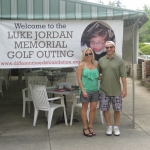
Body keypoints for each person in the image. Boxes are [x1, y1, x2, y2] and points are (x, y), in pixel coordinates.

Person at [98, 41, 127, 136]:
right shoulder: (101, 60)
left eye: (111, 47)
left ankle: (116, 127)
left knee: (117, 110)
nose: (109, 49)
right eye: (107, 47)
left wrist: (124, 89)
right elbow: (99, 74)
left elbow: (123, 76)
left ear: (114, 48)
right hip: (104, 90)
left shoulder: (120, 60)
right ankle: (109, 127)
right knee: (105, 109)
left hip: (116, 90)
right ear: (105, 49)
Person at [77, 47, 100, 137]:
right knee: (84, 109)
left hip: (95, 90)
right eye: (86, 54)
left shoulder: (96, 65)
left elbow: (98, 76)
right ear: (84, 55)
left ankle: (90, 126)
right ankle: (85, 127)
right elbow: (78, 79)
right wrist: (83, 90)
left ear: (92, 55)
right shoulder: (81, 65)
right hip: (85, 90)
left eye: (90, 54)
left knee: (93, 109)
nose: (88, 55)